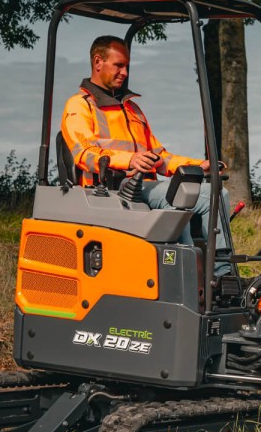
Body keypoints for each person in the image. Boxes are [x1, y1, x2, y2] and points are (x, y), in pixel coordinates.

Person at [61, 35, 232, 276]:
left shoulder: (132, 109)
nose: (124, 72)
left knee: (198, 191)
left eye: (127, 66)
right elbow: (84, 154)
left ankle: (198, 277)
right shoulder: (80, 106)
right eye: (118, 65)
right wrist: (129, 160)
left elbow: (160, 156)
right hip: (109, 191)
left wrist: (200, 165)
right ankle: (221, 273)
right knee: (211, 194)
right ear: (98, 62)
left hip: (145, 186)